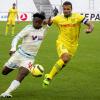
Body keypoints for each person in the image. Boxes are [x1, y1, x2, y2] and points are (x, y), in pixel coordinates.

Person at [43, 1, 94, 87]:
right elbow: (47, 22)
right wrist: (46, 21)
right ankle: (49, 78)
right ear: (62, 9)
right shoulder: (58, 18)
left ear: (71, 9)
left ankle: (49, 75)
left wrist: (90, 29)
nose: (66, 11)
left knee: (63, 63)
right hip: (62, 42)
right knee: (65, 58)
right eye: (64, 9)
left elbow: (91, 24)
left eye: (68, 9)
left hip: (73, 46)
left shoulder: (78, 17)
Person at [0, 12, 46, 98]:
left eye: (38, 22)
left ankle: (7, 92)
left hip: (29, 58)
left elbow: (52, 22)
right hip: (18, 55)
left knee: (23, 74)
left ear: (41, 22)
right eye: (34, 21)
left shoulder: (44, 30)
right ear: (32, 20)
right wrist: (13, 48)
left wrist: (48, 23)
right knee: (4, 72)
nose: (36, 23)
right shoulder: (28, 28)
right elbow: (16, 37)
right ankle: (15, 65)